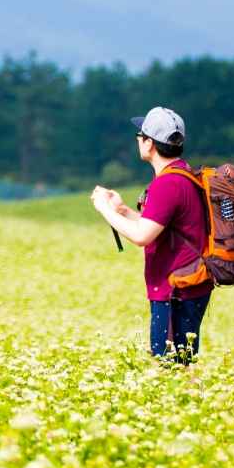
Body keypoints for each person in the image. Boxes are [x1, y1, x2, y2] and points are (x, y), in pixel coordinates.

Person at [90, 106, 211, 363]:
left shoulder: (167, 184)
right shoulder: (183, 175)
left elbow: (142, 236)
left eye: (140, 134)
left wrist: (102, 208)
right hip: (187, 285)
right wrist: (122, 210)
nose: (138, 139)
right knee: (181, 365)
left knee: (169, 367)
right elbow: (160, 228)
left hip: (175, 290)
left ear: (149, 144)